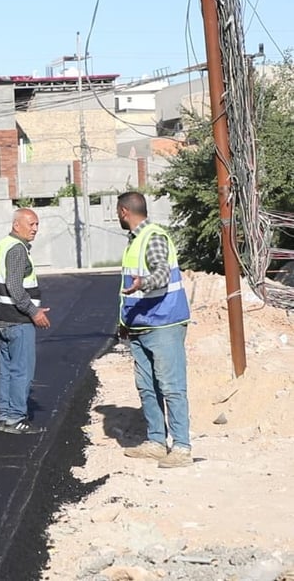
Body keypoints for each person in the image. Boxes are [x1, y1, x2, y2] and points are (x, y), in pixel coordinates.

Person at [116, 191, 193, 468]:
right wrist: (123, 325)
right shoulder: (135, 240)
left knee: (171, 387)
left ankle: (182, 447)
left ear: (124, 211)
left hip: (163, 324)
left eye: (117, 212)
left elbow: (160, 272)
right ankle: (157, 442)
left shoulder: (153, 237)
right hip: (140, 326)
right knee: (147, 387)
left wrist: (143, 283)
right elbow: (128, 292)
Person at [0, 208, 51, 434]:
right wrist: (34, 312)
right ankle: (15, 419)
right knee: (22, 370)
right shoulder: (16, 250)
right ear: (17, 225)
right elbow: (14, 286)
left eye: (36, 225)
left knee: (8, 370)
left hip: (2, 318)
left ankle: (5, 417)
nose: (35, 229)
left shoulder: (3, 245)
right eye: (31, 224)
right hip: (17, 320)